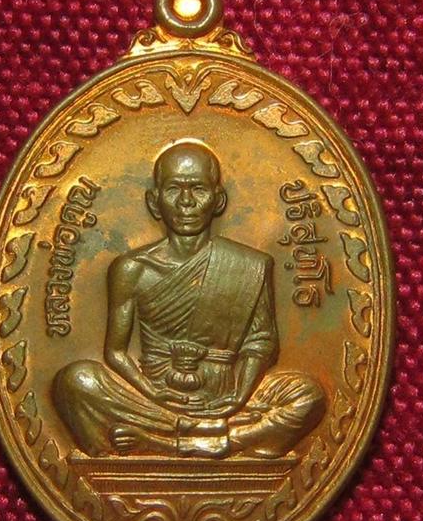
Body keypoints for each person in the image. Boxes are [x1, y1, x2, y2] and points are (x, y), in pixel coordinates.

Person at [53, 141, 326, 458]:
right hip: (155, 397)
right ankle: (204, 434)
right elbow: (115, 352)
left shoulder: (251, 265)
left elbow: (261, 342)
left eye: (198, 189)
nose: (186, 202)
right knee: (76, 381)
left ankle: (170, 442)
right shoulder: (131, 269)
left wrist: (239, 396)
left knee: (308, 395)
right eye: (174, 189)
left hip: (228, 397)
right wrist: (152, 391)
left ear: (218, 200)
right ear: (154, 201)